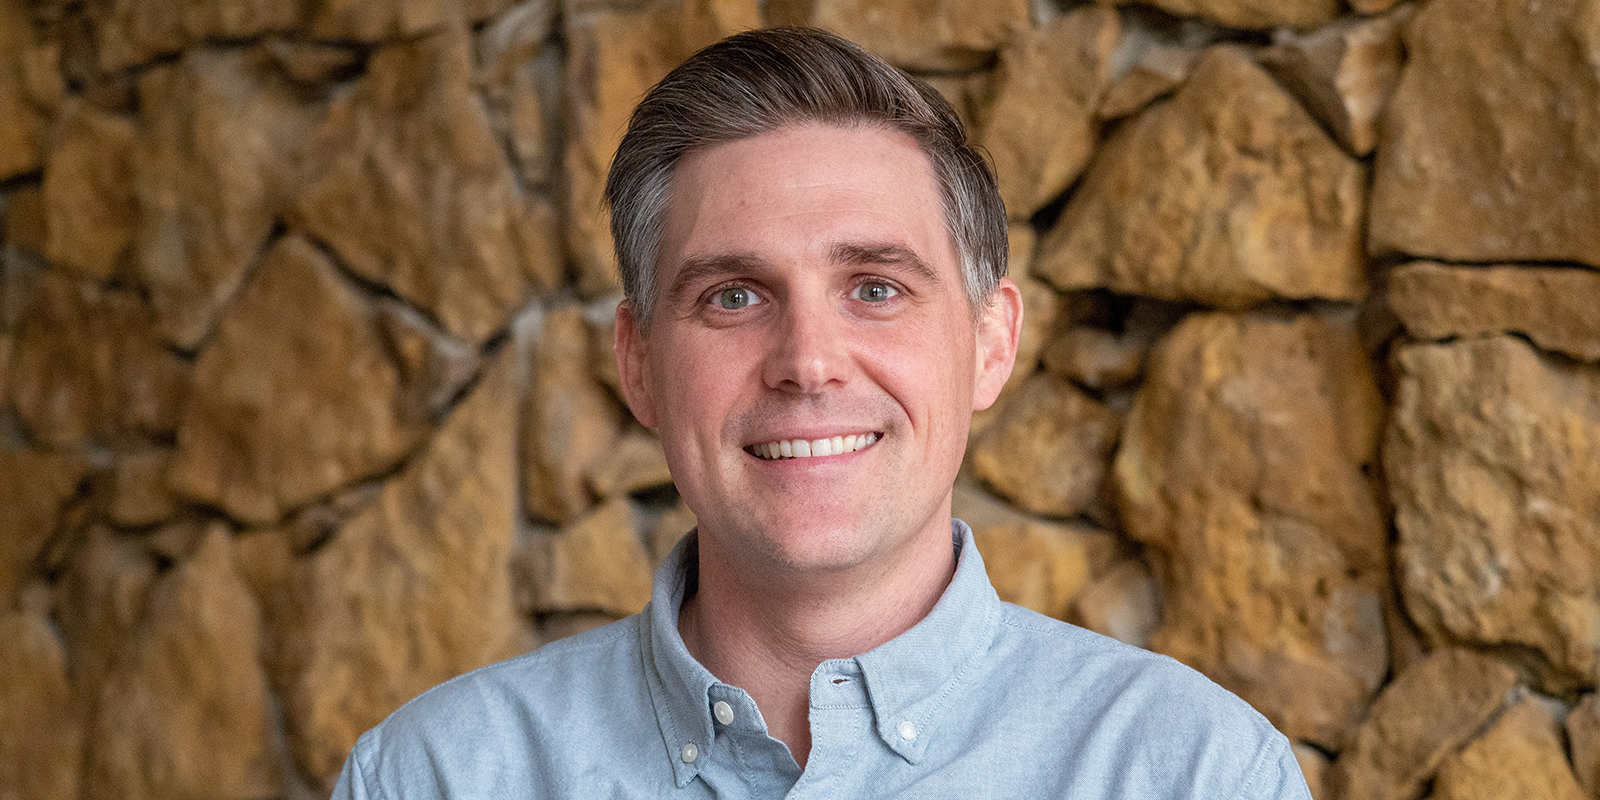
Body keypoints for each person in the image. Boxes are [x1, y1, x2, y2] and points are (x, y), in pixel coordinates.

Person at [331, 26, 1311, 799]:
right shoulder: (438, 776)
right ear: (638, 364)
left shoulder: (1190, 772)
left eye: (876, 287)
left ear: (990, 341)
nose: (805, 362)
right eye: (733, 295)